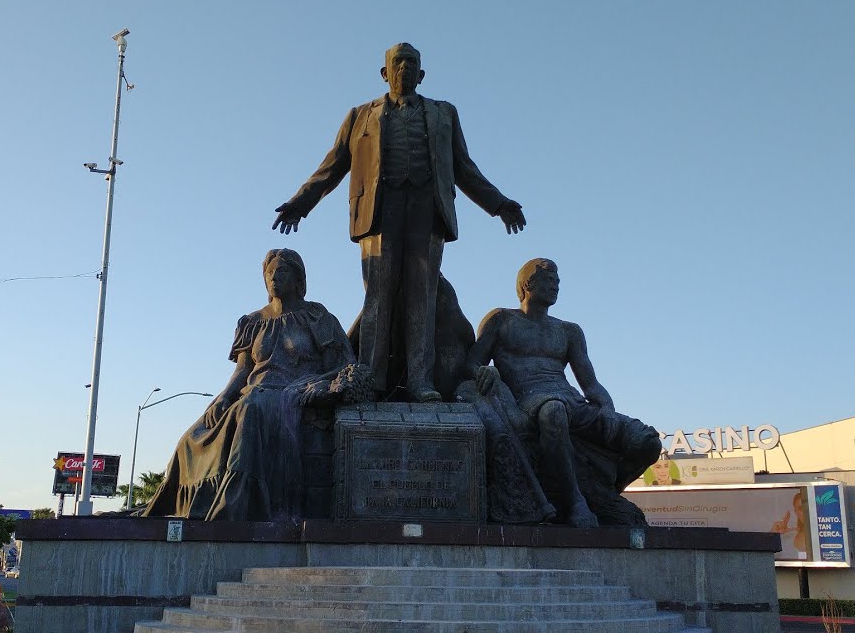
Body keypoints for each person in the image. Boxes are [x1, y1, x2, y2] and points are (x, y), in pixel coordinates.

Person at [273, 43, 526, 402]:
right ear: (384, 73)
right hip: (378, 212)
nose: (405, 67)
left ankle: (422, 382)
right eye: (398, 62)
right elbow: (332, 166)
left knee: (423, 297)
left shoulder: (445, 114)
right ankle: (372, 381)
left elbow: (464, 169)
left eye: (412, 63)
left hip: (427, 210)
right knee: (378, 296)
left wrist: (498, 204)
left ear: (421, 75)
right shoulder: (360, 115)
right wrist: (301, 203)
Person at [144, 249, 369, 521]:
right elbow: (243, 370)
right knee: (193, 436)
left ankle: (236, 501)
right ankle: (190, 506)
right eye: (270, 272)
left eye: (282, 271)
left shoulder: (316, 316)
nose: (274, 277)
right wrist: (223, 398)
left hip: (293, 391)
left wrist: (316, 386)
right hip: (254, 391)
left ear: (298, 279)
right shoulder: (252, 321)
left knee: (251, 410)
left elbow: (342, 364)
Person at [467, 258, 661, 528]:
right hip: (531, 401)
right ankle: (574, 502)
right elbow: (472, 362)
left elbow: (591, 385)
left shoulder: (569, 331)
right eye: (549, 279)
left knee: (648, 442)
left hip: (574, 403)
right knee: (553, 411)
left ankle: (602, 491)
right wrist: (484, 372)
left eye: (558, 280)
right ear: (527, 284)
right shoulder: (500, 320)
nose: (556, 285)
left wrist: (608, 413)